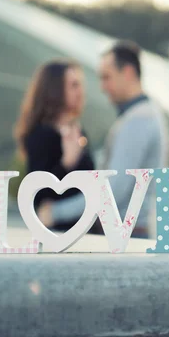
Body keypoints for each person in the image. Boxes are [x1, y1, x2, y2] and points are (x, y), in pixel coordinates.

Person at [40, 41, 169, 239]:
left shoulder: (139, 120)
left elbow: (113, 190)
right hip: (129, 234)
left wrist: (55, 212)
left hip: (127, 237)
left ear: (127, 73)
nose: (102, 87)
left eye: (107, 77)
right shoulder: (141, 115)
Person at [14, 59, 102, 234]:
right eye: (73, 85)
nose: (80, 91)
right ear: (55, 89)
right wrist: (66, 163)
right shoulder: (40, 134)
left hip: (87, 231)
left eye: (80, 85)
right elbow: (37, 194)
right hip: (57, 235)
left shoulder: (78, 130)